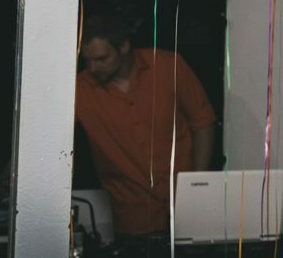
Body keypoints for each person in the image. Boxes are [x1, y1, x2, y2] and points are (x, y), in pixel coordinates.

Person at [75, 12, 219, 238]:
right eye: (87, 61)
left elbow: (203, 122)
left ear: (123, 46)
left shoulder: (168, 66)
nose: (93, 68)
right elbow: (42, 138)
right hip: (133, 215)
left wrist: (196, 186)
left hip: (187, 205)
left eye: (101, 59)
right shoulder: (80, 90)